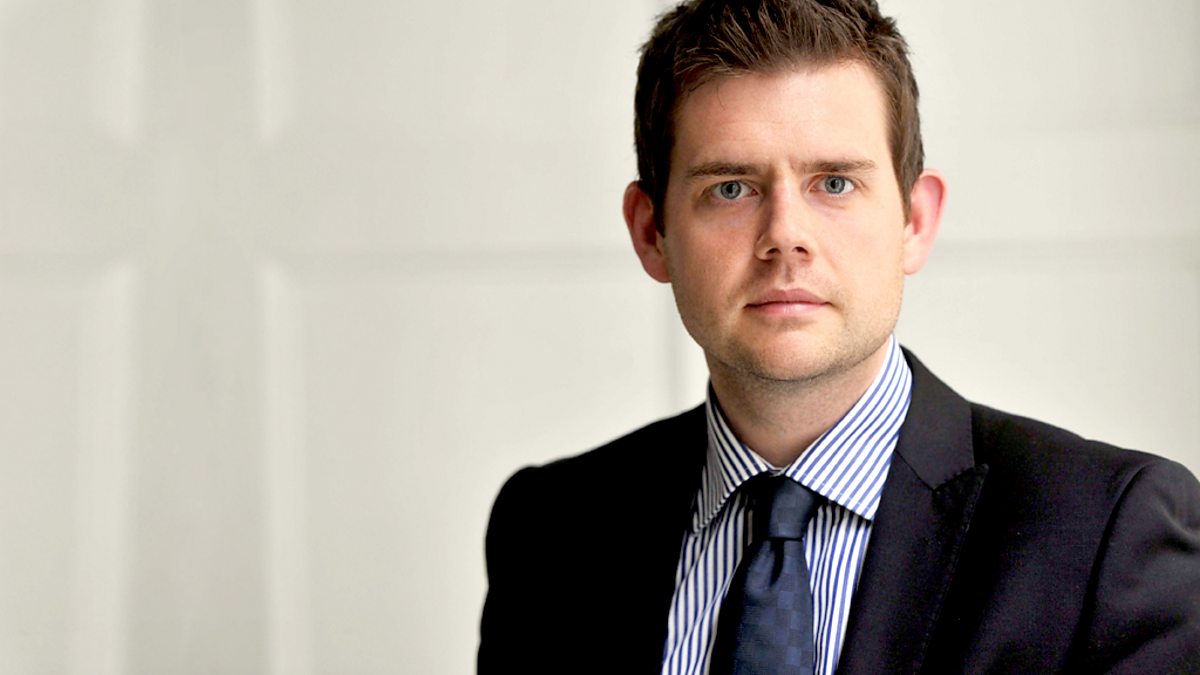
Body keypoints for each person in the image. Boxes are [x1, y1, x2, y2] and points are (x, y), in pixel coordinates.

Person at [477, 0, 1200, 672]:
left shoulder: (1107, 532)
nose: (785, 236)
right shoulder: (549, 532)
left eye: (834, 183)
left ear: (915, 220)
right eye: (730, 187)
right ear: (651, 233)